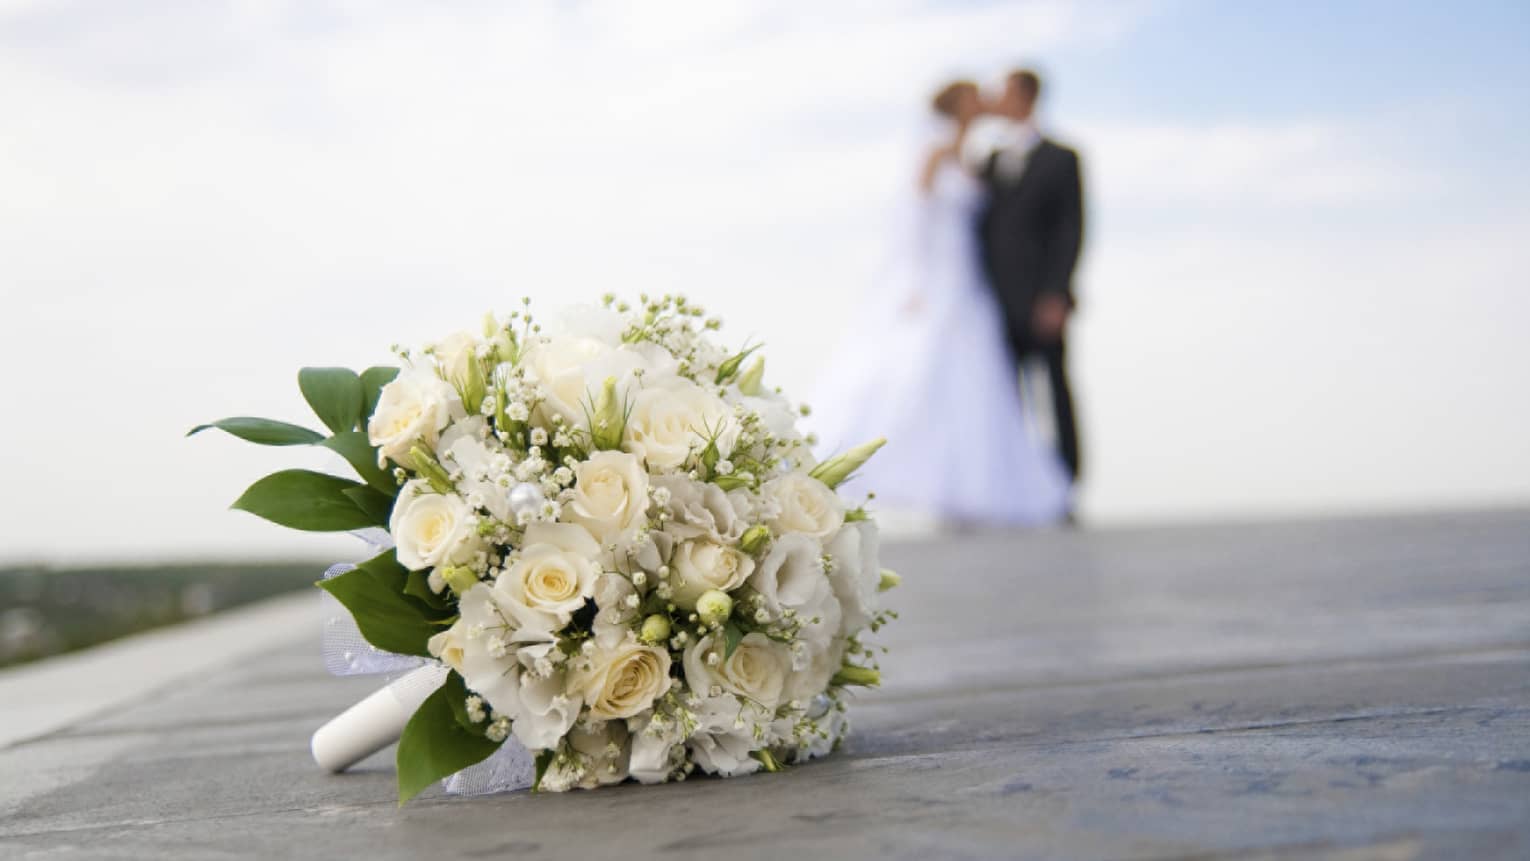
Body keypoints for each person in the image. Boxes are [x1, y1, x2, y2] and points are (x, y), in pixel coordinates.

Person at [809, 80, 1070, 527]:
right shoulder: (933, 152)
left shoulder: (975, 157)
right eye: (974, 97)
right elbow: (911, 218)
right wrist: (913, 281)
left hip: (971, 282)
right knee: (919, 373)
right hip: (937, 278)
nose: (984, 102)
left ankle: (971, 488)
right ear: (955, 106)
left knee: (976, 384)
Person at [967, 69, 1085, 486]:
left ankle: (1066, 484)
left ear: (1028, 97)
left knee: (1054, 391)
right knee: (1003, 397)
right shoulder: (990, 162)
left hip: (1042, 299)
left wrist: (1056, 293)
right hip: (994, 300)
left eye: (1006, 93)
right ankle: (1014, 487)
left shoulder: (1063, 157)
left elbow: (1070, 230)